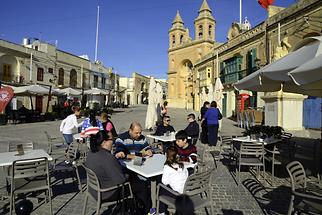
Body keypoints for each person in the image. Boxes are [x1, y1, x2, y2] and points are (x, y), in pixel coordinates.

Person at [85, 131, 126, 202]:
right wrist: (128, 175)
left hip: (93, 190)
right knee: (139, 185)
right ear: (104, 142)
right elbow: (120, 180)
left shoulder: (91, 152)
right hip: (106, 193)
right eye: (111, 140)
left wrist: (114, 157)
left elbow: (104, 164)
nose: (113, 142)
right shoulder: (107, 157)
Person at [159, 146, 189, 215]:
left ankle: (162, 212)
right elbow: (186, 175)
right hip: (185, 190)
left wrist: (171, 180)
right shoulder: (182, 165)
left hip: (177, 193)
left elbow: (164, 182)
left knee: (161, 190)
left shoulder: (167, 167)